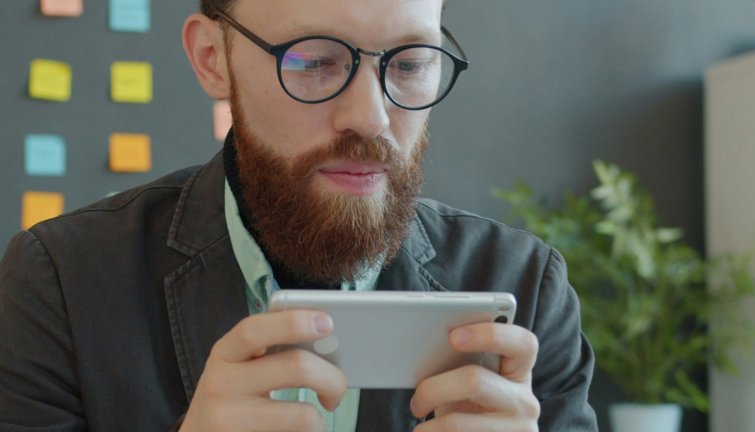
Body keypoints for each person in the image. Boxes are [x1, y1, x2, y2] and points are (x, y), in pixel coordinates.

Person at [0, 0, 598, 431]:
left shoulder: (526, 289)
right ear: (213, 58)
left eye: (411, 64)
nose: (369, 117)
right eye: (314, 61)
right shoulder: (61, 283)